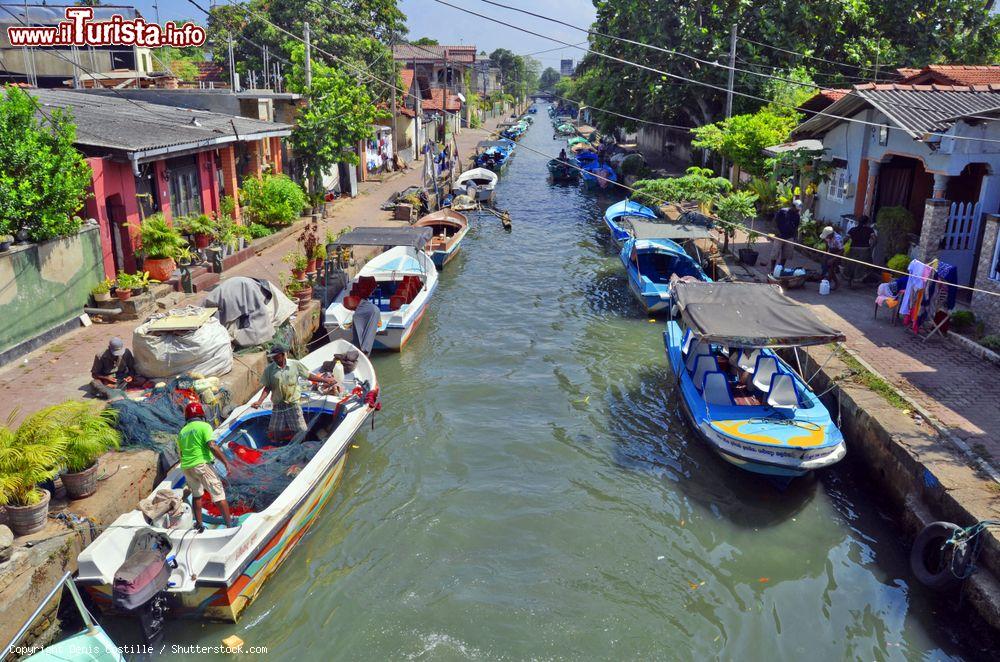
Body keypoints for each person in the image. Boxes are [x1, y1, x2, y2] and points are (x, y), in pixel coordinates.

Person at [251, 344, 338, 441]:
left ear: (283, 355)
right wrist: (259, 402)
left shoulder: (295, 365)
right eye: (273, 357)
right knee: (275, 430)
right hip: (278, 405)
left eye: (277, 357)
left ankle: (302, 443)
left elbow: (308, 376)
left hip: (293, 404)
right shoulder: (269, 370)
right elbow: (267, 387)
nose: (275, 359)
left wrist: (325, 380)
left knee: (301, 429)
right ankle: (278, 444)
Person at [178, 401, 232, 532]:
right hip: (201, 465)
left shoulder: (182, 431)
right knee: (219, 495)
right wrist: (225, 461)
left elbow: (181, 452)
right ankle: (230, 526)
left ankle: (199, 525)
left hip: (186, 467)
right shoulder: (204, 426)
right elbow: (212, 445)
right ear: (201, 415)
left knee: (197, 495)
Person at [769, 199, 801, 272]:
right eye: (796, 210)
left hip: (789, 237)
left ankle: (780, 268)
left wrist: (795, 236)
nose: (797, 211)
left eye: (798, 210)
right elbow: (775, 221)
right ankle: (772, 268)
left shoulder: (797, 215)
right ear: (793, 207)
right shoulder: (783, 211)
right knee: (775, 252)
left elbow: (796, 227)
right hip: (779, 236)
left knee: (786, 254)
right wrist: (776, 231)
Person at [844, 215, 876, 287]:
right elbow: (875, 239)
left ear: (858, 222)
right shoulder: (870, 230)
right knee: (864, 267)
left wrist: (843, 246)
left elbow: (846, 239)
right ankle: (861, 280)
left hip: (853, 249)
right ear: (867, 222)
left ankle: (850, 281)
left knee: (851, 266)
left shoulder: (852, 229)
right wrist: (871, 248)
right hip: (865, 250)